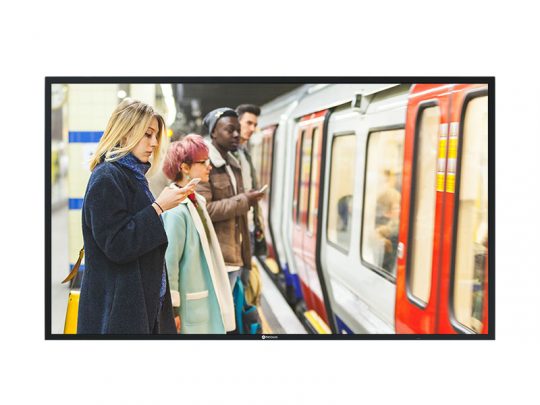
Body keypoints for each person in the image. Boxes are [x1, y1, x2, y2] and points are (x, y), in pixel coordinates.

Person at [77, 98, 196, 334]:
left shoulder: (132, 175)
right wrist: (158, 208)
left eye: (155, 136)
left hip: (140, 301)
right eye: (147, 134)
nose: (153, 143)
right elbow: (117, 245)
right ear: (124, 133)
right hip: (118, 310)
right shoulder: (106, 177)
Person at [161, 134, 235, 334]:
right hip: (190, 306)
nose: (209, 166)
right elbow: (170, 263)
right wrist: (173, 309)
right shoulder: (176, 211)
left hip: (201, 300)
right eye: (203, 162)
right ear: (184, 168)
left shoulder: (196, 200)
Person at [196, 108, 264, 291]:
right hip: (218, 259)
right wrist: (245, 201)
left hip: (236, 255)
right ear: (213, 133)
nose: (236, 135)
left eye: (237, 130)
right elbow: (205, 210)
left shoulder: (233, 164)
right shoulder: (204, 164)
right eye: (229, 130)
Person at [234, 104, 268, 258]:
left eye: (255, 125)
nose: (253, 128)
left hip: (249, 226)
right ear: (236, 122)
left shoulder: (245, 153)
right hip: (237, 231)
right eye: (248, 123)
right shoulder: (229, 154)